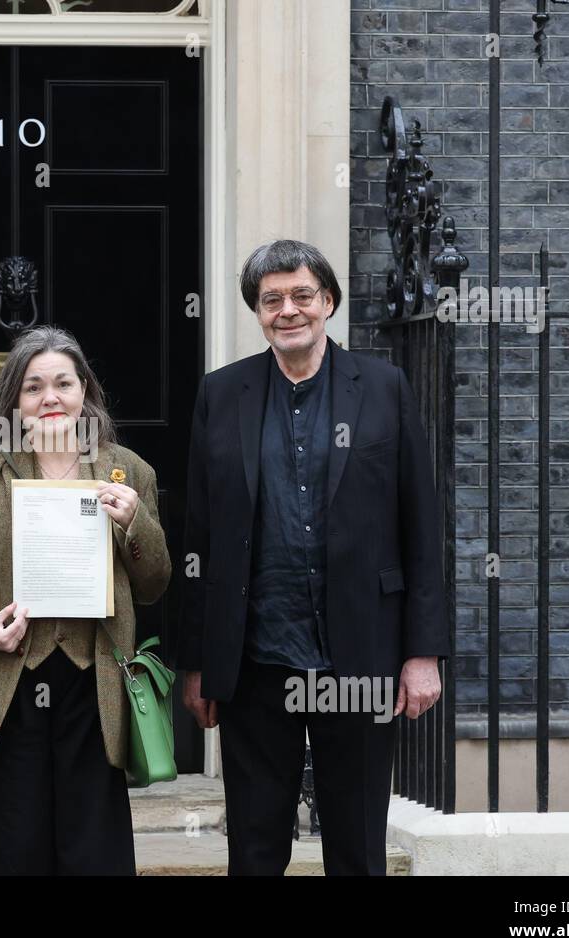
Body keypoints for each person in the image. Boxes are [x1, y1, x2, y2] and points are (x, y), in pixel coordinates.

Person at [179, 239, 450, 875]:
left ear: (327, 301)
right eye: (271, 300)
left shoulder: (384, 388)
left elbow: (421, 526)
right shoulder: (222, 394)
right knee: (255, 843)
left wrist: (422, 652)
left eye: (302, 295)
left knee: (356, 845)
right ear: (257, 312)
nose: (288, 310)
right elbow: (200, 537)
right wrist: (197, 663)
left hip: (359, 655)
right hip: (256, 661)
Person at [0, 325, 171, 875]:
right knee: (8, 844)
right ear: (15, 398)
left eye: (63, 383)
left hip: (93, 687)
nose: (50, 398)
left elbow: (155, 584)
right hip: (7, 683)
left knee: (91, 848)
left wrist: (136, 523)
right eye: (34, 387)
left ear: (84, 390)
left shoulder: (127, 470)